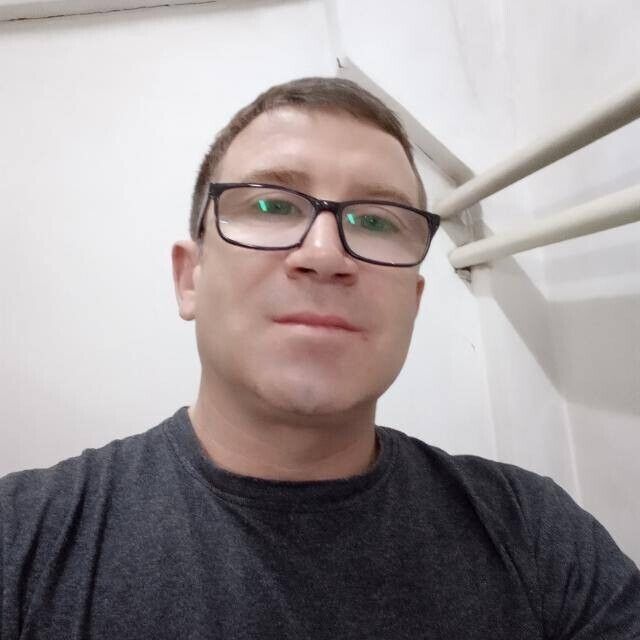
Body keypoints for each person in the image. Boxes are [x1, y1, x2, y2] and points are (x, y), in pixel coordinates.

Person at [1, 77, 638, 639]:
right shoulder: (20, 539)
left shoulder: (537, 535)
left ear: (413, 302)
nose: (326, 254)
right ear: (189, 278)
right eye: (271, 205)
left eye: (377, 221)